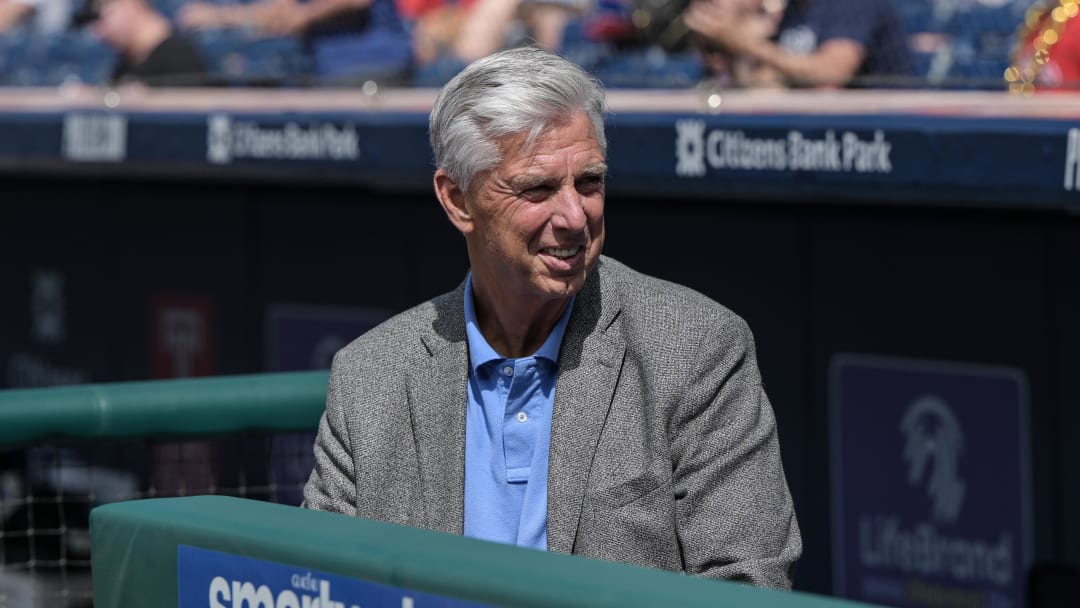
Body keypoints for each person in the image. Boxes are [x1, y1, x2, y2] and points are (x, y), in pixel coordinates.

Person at [302, 46, 802, 587]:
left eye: (589, 182)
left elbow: (747, 584)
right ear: (458, 200)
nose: (574, 217)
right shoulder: (370, 376)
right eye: (537, 188)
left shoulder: (696, 348)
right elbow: (320, 583)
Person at [178, 0, 412, 85]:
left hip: (372, 65)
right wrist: (218, 16)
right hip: (325, 71)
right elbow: (282, 11)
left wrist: (305, 15)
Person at [684, 0, 911, 87]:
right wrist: (731, 48)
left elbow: (831, 74)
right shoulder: (793, 11)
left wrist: (747, 45)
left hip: (888, 139)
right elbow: (767, 80)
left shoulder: (852, 4)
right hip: (814, 142)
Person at [87, 0, 207, 86]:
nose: (98, 32)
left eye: (100, 16)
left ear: (128, 4)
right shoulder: (123, 65)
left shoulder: (179, 55)